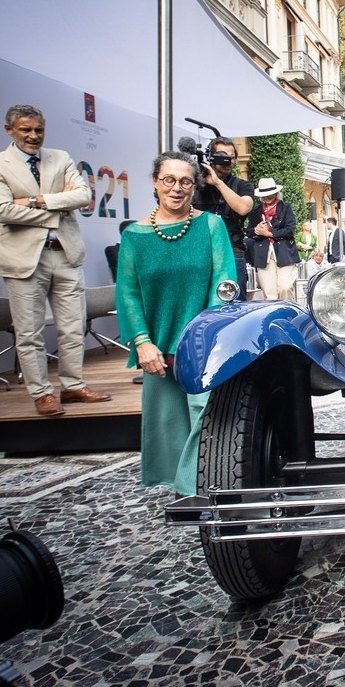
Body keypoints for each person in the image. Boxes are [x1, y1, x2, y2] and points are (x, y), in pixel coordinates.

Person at [0, 103, 112, 417]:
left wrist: (37, 201)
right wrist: (57, 209)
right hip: (23, 261)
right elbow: (3, 211)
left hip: (65, 255)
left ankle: (73, 386)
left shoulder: (60, 157)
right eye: (25, 130)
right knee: (29, 332)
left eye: (38, 130)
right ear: (9, 130)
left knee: (72, 327)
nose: (33, 136)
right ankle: (41, 393)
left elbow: (82, 196)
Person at [117, 152, 236, 497]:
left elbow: (223, 283)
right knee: (168, 422)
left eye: (185, 181)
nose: (177, 188)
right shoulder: (135, 236)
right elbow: (128, 294)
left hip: (202, 342)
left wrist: (200, 339)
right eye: (168, 179)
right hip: (156, 345)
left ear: (195, 186)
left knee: (206, 415)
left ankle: (197, 489)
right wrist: (142, 343)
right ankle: (184, 486)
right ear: (155, 182)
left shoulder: (210, 226)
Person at [192, 136, 255, 299]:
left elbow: (243, 208)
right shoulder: (195, 185)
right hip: (199, 253)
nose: (228, 161)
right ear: (211, 158)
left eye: (232, 157)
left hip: (232, 253)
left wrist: (218, 183)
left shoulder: (242, 186)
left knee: (235, 307)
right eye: (223, 156)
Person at [247, 178, 300, 301]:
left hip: (284, 253)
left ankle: (289, 314)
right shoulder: (256, 211)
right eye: (264, 195)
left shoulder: (286, 208)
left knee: (285, 287)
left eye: (269, 194)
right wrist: (257, 231)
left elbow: (290, 230)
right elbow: (249, 231)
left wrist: (269, 233)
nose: (266, 197)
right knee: (270, 294)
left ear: (276, 193)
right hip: (263, 254)